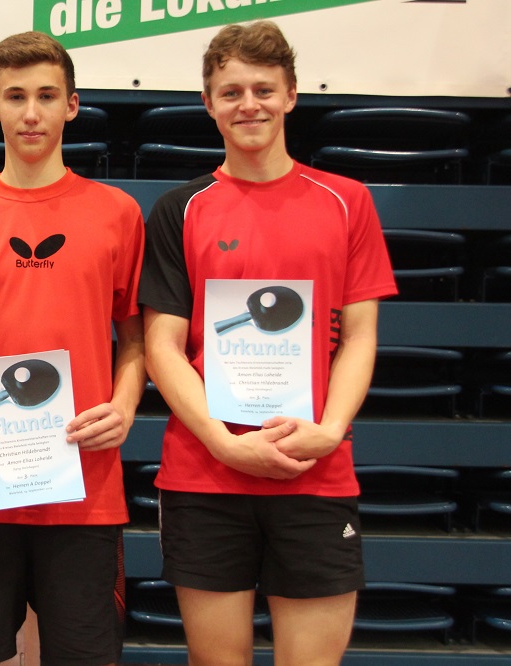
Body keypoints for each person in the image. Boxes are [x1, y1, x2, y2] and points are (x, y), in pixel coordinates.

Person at [138, 20, 398, 666]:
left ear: (291, 95)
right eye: (231, 92)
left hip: (314, 473)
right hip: (206, 475)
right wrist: (222, 441)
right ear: (208, 103)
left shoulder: (347, 202)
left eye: (263, 89)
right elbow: (162, 346)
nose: (248, 105)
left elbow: (360, 335)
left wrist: (330, 430)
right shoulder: (179, 209)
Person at [0, 31, 146, 666]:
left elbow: (136, 338)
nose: (31, 113)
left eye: (47, 96)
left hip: (84, 488)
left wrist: (125, 406)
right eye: (15, 96)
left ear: (72, 106)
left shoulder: (118, 213)